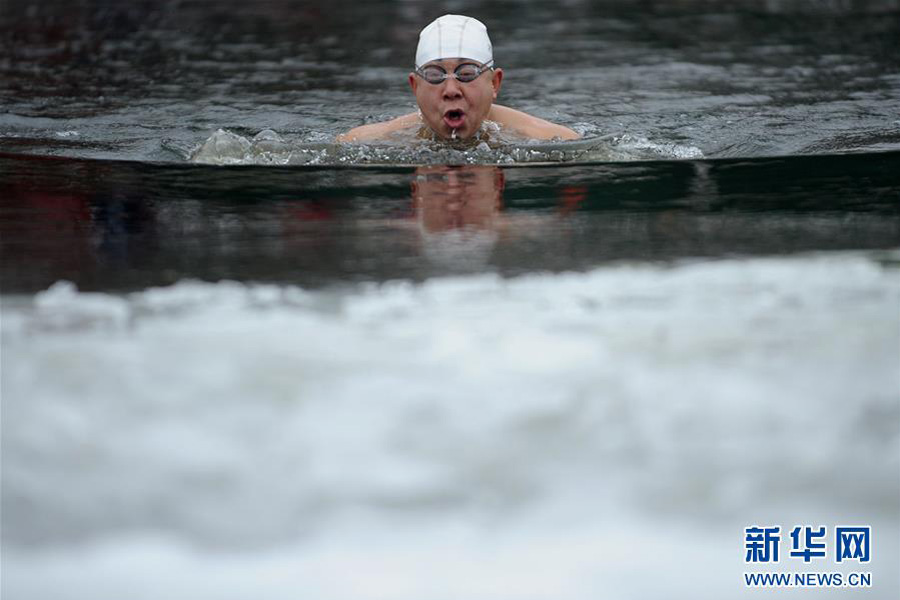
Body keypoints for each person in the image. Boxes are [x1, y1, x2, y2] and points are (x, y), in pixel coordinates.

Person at [337, 15, 580, 143]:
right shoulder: (363, 142)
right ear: (414, 86)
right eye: (434, 75)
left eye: (467, 74)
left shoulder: (552, 141)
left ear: (494, 83)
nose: (451, 89)